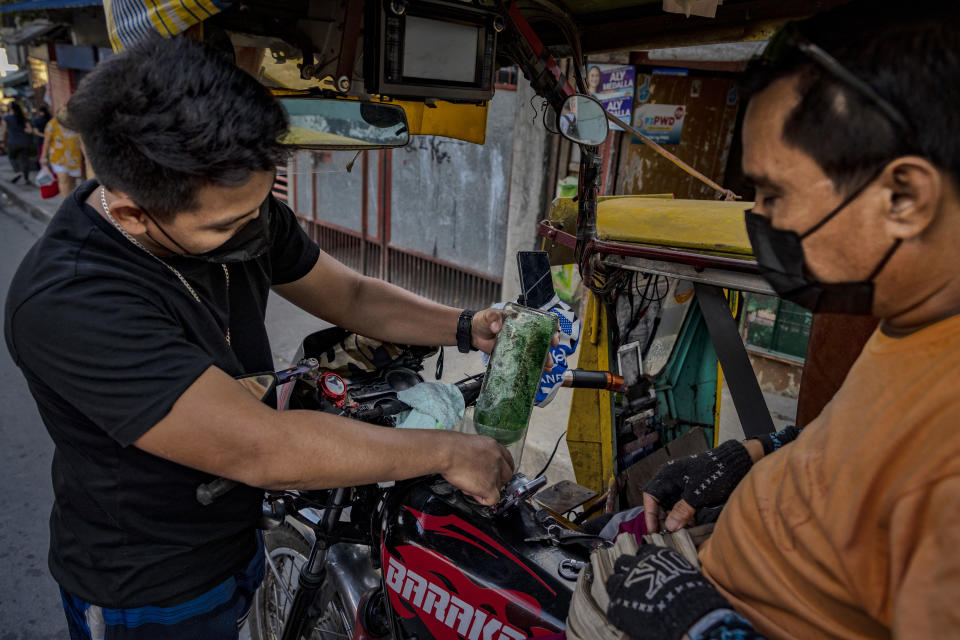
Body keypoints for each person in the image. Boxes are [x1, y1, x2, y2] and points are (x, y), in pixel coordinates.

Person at [4, 36, 520, 639]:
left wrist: (464, 326)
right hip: (146, 588)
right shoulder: (70, 301)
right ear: (131, 214)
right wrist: (447, 450)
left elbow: (350, 296)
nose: (255, 227)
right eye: (227, 223)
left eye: (258, 207)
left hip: (237, 536)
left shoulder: (239, 208)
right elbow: (263, 449)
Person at [601, 2, 960, 638]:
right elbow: (863, 466)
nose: (759, 219)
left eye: (774, 195)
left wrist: (705, 628)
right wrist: (758, 452)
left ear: (905, 197)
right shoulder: (914, 317)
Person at [39, 109, 84, 198]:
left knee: (72, 181)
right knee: (63, 179)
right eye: (62, 111)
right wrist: (43, 156)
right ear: (57, 113)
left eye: (66, 111)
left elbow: (81, 141)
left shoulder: (74, 124)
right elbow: (47, 141)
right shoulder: (52, 124)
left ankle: (73, 200)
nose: (65, 113)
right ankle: (66, 203)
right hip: (58, 157)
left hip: (74, 158)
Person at [1, 101, 34, 185]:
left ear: (9, 108)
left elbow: (4, 131)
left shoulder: (6, 117)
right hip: (24, 141)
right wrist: (24, 130)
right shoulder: (22, 117)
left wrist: (2, 141)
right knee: (25, 161)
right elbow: (30, 131)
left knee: (12, 158)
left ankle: (17, 172)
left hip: (13, 142)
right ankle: (26, 179)